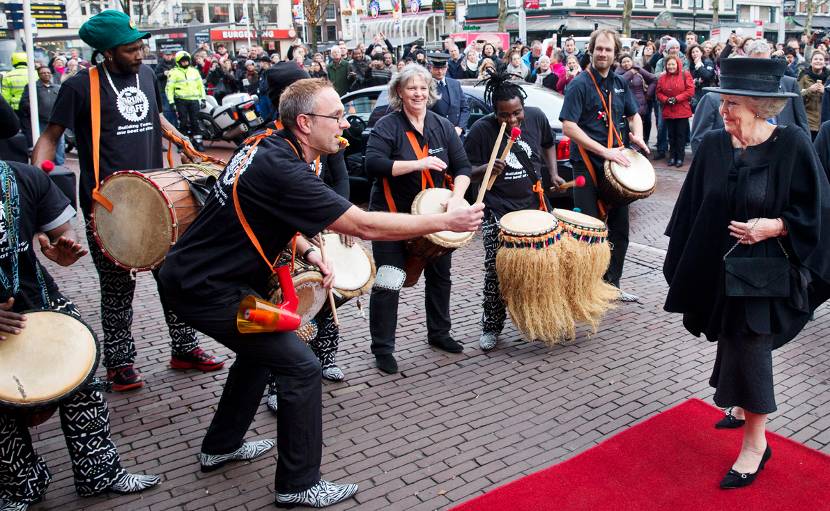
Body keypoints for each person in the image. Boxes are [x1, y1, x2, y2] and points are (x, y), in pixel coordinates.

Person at [157, 77, 483, 507]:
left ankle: (221, 446)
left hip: (204, 280)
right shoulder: (283, 167)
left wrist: (309, 250)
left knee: (260, 355)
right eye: (337, 116)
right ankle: (297, 485)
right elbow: (363, 225)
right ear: (305, 123)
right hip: (206, 291)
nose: (346, 124)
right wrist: (444, 222)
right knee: (300, 367)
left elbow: (267, 211)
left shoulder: (266, 144)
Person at [31, 10, 223, 392]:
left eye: (140, 46)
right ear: (107, 52)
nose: (139, 54)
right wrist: (38, 186)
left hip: (158, 201)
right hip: (108, 206)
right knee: (117, 288)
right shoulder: (79, 87)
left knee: (174, 278)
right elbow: (50, 137)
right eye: (130, 49)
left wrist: (183, 141)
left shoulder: (147, 75)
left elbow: (156, 117)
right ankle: (120, 364)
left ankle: (184, 348)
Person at [664, 56, 830, 489]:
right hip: (720, 268)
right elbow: (691, 209)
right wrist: (684, 263)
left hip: (766, 273)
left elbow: (817, 208)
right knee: (732, 337)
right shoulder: (713, 146)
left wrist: (775, 226)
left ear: (759, 106)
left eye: (732, 103)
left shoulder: (792, 144)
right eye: (723, 101)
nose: (722, 110)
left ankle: (756, 445)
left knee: (751, 347)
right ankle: (739, 407)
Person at [0, 129, 160, 508]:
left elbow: (61, 231)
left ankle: (98, 473)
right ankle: (21, 485)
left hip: (40, 302)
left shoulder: (23, 178)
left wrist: (64, 247)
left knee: (84, 379)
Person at [365, 64, 474, 374]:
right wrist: (417, 164)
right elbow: (372, 165)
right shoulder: (387, 125)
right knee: (389, 279)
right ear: (400, 92)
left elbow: (463, 167)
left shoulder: (441, 124)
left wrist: (457, 198)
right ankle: (383, 349)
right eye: (412, 88)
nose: (418, 93)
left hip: (433, 216)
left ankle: (439, 333)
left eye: (423, 88)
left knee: (440, 276)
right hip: (391, 216)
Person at [464, 70, 563, 351]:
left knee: (543, 267)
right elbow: (463, 170)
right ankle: (491, 326)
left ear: (523, 106)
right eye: (504, 115)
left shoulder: (536, 117)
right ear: (494, 112)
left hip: (535, 206)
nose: (512, 120)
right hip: (498, 211)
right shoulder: (482, 130)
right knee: (495, 271)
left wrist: (553, 173)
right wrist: (485, 168)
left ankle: (541, 319)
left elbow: (548, 143)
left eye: (517, 113)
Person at [560, 29, 649, 302]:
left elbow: (634, 116)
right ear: (591, 50)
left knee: (620, 230)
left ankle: (611, 285)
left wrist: (638, 135)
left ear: (615, 53)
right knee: (588, 231)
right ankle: (585, 289)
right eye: (599, 48)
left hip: (616, 165)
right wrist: (604, 151)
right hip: (587, 164)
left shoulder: (620, 82)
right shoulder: (579, 84)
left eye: (608, 50)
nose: (603, 53)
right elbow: (569, 126)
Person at [691, 40, 809, 154]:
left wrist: (806, 148)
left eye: (764, 63)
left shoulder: (789, 85)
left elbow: (801, 120)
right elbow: (699, 142)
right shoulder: (712, 100)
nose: (723, 109)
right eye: (723, 101)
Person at [19, 67, 64, 165]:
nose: (46, 74)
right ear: (39, 75)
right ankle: (41, 165)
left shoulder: (57, 87)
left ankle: (60, 165)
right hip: (40, 121)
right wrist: (35, 112)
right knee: (43, 144)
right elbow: (24, 103)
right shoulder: (32, 87)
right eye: (43, 73)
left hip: (56, 121)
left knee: (59, 145)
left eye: (48, 72)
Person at [656, 54, 694, 167]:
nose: (671, 66)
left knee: (680, 135)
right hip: (668, 109)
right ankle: (672, 156)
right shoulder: (662, 77)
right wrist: (666, 99)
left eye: (673, 64)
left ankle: (680, 157)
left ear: (678, 64)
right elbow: (658, 92)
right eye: (669, 64)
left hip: (682, 109)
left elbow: (690, 90)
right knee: (671, 135)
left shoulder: (685, 74)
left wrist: (677, 99)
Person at [166, 51, 207, 151]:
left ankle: (198, 142)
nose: (185, 62)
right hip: (181, 101)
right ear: (178, 62)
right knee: (182, 122)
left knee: (196, 121)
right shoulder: (173, 72)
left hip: (194, 100)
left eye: (186, 61)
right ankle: (182, 144)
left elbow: (200, 86)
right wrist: (171, 102)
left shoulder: (194, 71)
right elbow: (169, 88)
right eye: (183, 61)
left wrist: (203, 98)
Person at [617, 54, 656, 149]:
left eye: (628, 61)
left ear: (632, 61)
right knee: (627, 131)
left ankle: (641, 148)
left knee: (641, 128)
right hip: (625, 107)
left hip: (640, 105)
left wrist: (648, 94)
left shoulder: (638, 70)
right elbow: (620, 82)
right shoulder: (617, 73)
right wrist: (631, 72)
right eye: (624, 62)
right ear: (620, 64)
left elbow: (653, 79)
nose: (626, 63)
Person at [428, 53, 470, 137]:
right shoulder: (426, 86)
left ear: (447, 68)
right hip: (436, 135)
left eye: (443, 68)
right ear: (430, 68)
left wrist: (460, 127)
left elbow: (465, 108)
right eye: (436, 68)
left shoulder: (455, 84)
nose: (440, 71)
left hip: (456, 135)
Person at [798, 50, 829, 140]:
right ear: (811, 62)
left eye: (821, 59)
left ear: (824, 62)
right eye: (815, 59)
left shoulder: (829, 78)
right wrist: (809, 90)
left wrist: (825, 92)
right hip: (808, 122)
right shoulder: (803, 76)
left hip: (825, 122)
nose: (818, 61)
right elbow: (797, 96)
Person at [687, 43, 716, 111]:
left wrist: (699, 66)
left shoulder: (708, 62)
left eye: (697, 51)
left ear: (701, 53)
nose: (695, 53)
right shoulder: (691, 64)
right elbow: (692, 78)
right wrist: (696, 81)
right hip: (695, 94)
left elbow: (707, 76)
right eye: (693, 52)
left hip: (706, 92)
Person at [154, 50, 178, 127]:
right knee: (167, 110)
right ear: (164, 56)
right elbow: (155, 76)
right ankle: (170, 127)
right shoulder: (160, 65)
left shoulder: (176, 64)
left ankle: (177, 126)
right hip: (164, 90)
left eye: (169, 55)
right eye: (167, 55)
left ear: (172, 56)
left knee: (177, 109)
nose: (168, 56)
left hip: (176, 90)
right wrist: (163, 74)